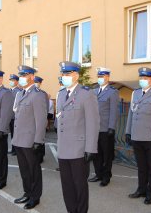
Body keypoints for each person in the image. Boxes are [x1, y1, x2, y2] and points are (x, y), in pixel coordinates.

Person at [56, 61, 99, 213]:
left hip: (79, 150)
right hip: (63, 149)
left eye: (67, 74)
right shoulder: (61, 94)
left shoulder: (86, 94)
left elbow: (93, 123)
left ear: (76, 75)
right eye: (63, 74)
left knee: (80, 186)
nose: (64, 77)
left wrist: (90, 148)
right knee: (66, 185)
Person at [126, 67, 151, 205]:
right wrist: (128, 132)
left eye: (146, 78)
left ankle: (150, 194)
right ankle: (141, 189)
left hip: (150, 138)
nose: (143, 80)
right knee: (141, 166)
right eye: (141, 78)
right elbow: (131, 113)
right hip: (136, 136)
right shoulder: (135, 93)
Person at [12, 65, 47, 210]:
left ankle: (35, 197)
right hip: (19, 139)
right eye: (20, 75)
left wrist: (38, 140)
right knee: (24, 170)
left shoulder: (37, 95)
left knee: (33, 169)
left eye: (24, 75)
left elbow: (41, 120)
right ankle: (27, 192)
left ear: (32, 77)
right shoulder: (20, 94)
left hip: (30, 140)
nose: (21, 78)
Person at [89, 67, 119, 187]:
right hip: (95, 128)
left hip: (106, 129)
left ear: (108, 77)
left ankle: (106, 176)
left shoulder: (113, 92)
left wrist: (112, 127)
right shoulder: (94, 91)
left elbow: (114, 111)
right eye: (99, 77)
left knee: (107, 155)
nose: (101, 79)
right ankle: (98, 174)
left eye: (103, 76)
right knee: (96, 154)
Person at [34, 76, 48, 163]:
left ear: (40, 83)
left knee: (40, 138)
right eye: (34, 82)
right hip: (31, 120)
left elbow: (45, 107)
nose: (36, 84)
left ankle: (41, 155)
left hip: (40, 118)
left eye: (37, 82)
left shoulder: (43, 94)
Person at [8, 74, 21, 156]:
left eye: (13, 80)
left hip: (15, 116)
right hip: (10, 116)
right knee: (12, 134)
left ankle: (16, 150)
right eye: (10, 80)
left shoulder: (18, 91)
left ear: (16, 81)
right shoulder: (9, 91)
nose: (11, 82)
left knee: (15, 134)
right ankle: (13, 149)